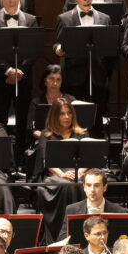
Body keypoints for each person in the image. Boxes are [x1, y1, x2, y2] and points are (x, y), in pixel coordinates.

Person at [0, 0, 39, 165]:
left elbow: (34, 50)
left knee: (23, 121)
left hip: (24, 78)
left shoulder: (30, 20)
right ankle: (2, 161)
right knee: (0, 121)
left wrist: (20, 70)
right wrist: (8, 70)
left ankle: (21, 160)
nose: (12, 0)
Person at [54, 0, 114, 131]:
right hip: (74, 77)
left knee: (98, 118)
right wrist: (59, 49)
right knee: (75, 118)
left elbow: (109, 49)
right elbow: (57, 43)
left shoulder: (105, 18)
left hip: (98, 76)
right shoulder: (64, 18)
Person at [31, 98, 87, 243]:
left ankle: (83, 230)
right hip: (55, 174)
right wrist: (62, 174)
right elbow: (45, 160)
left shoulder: (82, 134)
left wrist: (80, 172)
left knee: (82, 183)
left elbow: (88, 158)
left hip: (78, 172)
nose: (67, 117)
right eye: (62, 113)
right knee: (67, 185)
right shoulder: (47, 135)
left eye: (69, 113)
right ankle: (62, 232)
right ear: (55, 115)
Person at [57, 168, 128, 241]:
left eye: (97, 185)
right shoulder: (71, 210)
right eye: (88, 185)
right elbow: (61, 239)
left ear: (105, 187)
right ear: (84, 187)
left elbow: (125, 240)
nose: (92, 190)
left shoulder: (120, 211)